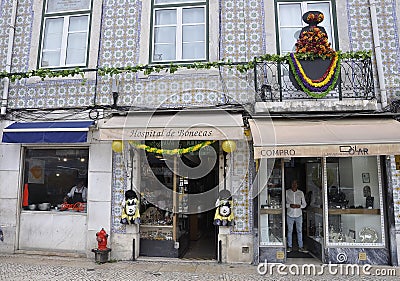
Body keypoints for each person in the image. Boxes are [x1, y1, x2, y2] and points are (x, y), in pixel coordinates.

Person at [286, 180, 308, 253]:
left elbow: (304, 204)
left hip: (298, 215)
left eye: (295, 183)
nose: (294, 185)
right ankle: (289, 246)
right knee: (290, 231)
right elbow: (283, 204)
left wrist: (300, 206)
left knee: (299, 231)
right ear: (291, 184)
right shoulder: (287, 192)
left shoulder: (300, 193)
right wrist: (290, 205)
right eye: (293, 183)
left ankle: (300, 247)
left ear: (297, 185)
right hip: (290, 214)